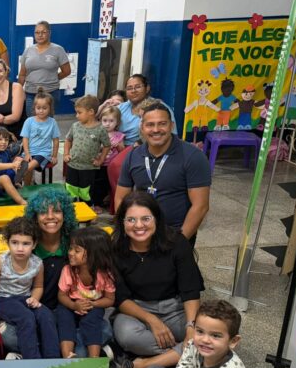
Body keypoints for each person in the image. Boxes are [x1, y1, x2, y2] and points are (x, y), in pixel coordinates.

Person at [111, 191, 204, 368]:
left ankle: (145, 364)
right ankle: (189, 353)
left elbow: (190, 290)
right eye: (131, 220)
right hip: (137, 311)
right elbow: (120, 298)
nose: (139, 225)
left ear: (157, 219)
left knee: (208, 332)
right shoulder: (115, 248)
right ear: (122, 222)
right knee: (127, 336)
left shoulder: (177, 242)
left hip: (176, 309)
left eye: (146, 218)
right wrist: (152, 320)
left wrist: (191, 327)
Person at [115, 102, 210, 243]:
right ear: (142, 128)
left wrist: (180, 242)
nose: (156, 129)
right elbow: (120, 198)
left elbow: (200, 206)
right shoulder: (133, 156)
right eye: (150, 125)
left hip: (175, 232)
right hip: (140, 232)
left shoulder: (193, 156)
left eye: (162, 124)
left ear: (171, 126)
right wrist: (127, 229)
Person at [0, 217, 59, 359]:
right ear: (8, 242)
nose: (20, 248)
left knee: (46, 315)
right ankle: (32, 360)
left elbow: (38, 286)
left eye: (26, 243)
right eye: (15, 243)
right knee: (26, 318)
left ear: (34, 244)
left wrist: (35, 299)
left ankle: (52, 359)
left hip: (25, 299)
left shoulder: (37, 263)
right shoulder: (0, 261)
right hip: (4, 300)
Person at [56, 227, 115, 358]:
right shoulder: (68, 270)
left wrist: (92, 304)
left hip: (93, 306)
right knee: (63, 317)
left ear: (94, 254)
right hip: (71, 304)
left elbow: (110, 299)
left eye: (77, 250)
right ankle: (67, 356)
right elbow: (61, 295)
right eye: (70, 248)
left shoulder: (105, 274)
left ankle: (94, 358)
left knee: (92, 320)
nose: (71, 253)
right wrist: (73, 305)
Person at [63, 95, 110, 207]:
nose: (77, 115)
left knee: (86, 192)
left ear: (91, 112)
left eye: (79, 112)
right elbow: (68, 140)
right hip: (72, 165)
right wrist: (66, 154)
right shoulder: (75, 126)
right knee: (70, 189)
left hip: (88, 168)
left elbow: (107, 145)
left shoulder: (100, 129)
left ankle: (87, 210)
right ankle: (71, 209)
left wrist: (101, 160)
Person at [18, 21, 71, 117]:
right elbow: (22, 74)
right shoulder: (28, 50)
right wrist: (18, 90)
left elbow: (67, 71)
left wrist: (52, 78)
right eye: (37, 32)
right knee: (31, 121)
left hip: (50, 93)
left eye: (43, 32)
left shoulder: (58, 50)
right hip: (31, 93)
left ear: (49, 33)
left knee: (46, 121)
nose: (40, 35)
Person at [111, 74, 178, 146]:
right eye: (129, 88)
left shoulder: (160, 108)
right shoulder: (121, 108)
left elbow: (171, 136)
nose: (133, 91)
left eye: (138, 87)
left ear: (147, 88)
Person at [20, 88, 61, 184]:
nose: (41, 111)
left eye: (44, 108)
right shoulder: (29, 121)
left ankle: (17, 178)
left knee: (28, 167)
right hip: (30, 152)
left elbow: (56, 140)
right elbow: (25, 139)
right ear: (34, 108)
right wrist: (27, 153)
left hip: (43, 153)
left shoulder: (52, 122)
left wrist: (54, 156)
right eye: (38, 108)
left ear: (50, 108)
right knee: (27, 167)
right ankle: (27, 187)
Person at [0, 59, 26, 143]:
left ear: (6, 72)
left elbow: (15, 117)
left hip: (18, 135)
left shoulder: (16, 88)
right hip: (0, 136)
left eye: (0, 71)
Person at [0, 127, 27, 205]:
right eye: (0, 139)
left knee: (21, 162)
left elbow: (9, 166)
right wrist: (12, 165)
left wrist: (16, 162)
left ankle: (15, 182)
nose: (4, 142)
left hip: (4, 180)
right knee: (4, 178)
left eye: (6, 140)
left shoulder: (6, 152)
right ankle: (21, 202)